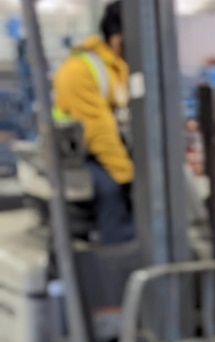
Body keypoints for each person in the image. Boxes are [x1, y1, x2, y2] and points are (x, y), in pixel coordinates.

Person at [53, 0, 134, 244]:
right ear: (118, 39)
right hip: (78, 156)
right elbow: (98, 130)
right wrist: (126, 175)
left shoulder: (118, 67)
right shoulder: (80, 69)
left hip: (104, 151)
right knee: (111, 191)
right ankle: (117, 254)